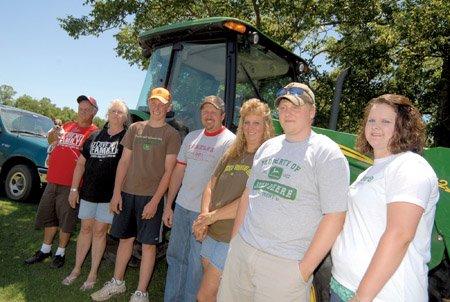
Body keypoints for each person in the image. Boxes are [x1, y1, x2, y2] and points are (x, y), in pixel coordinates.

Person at [217, 82, 350, 301]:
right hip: (242, 252)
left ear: (312, 111)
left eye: (296, 106)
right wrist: (234, 245)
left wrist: (302, 271)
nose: (287, 113)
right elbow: (247, 197)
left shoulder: (326, 153)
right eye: (283, 107)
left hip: (285, 266)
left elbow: (335, 217)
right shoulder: (268, 147)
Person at [330, 94, 440, 302]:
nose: (375, 126)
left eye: (385, 121)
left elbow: (400, 235)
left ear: (403, 127)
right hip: (343, 286)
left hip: (382, 296)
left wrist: (362, 296)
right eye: (371, 120)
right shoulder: (369, 173)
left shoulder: (409, 166)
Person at [91, 87, 181, 302]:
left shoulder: (172, 134)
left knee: (149, 245)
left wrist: (156, 201)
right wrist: (116, 194)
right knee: (125, 240)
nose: (157, 107)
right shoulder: (135, 128)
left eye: (162, 103)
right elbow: (124, 162)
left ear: (169, 107)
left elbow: (169, 171)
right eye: (154, 102)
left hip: (152, 198)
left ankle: (141, 293)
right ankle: (117, 283)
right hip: (127, 194)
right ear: (148, 104)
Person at [192, 98, 275, 302]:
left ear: (266, 126)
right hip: (213, 231)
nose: (250, 127)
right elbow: (211, 184)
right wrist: (204, 218)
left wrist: (210, 217)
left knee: (205, 295)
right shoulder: (232, 153)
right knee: (218, 293)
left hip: (234, 236)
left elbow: (250, 200)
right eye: (246, 122)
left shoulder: (267, 158)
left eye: (256, 122)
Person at [163, 95, 235, 302]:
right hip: (182, 207)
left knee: (196, 265)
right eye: (205, 111)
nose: (209, 115)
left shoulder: (230, 142)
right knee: (175, 258)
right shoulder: (191, 137)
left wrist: (208, 216)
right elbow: (178, 172)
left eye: (214, 112)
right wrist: (169, 205)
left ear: (223, 115)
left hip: (203, 214)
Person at [61, 99, 129, 291]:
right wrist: (74, 189)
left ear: (125, 117)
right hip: (89, 193)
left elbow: (126, 167)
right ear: (107, 114)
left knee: (100, 232)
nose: (116, 114)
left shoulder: (126, 138)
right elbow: (81, 164)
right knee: (85, 229)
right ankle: (76, 269)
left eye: (120, 112)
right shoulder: (95, 135)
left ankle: (93, 273)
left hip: (109, 196)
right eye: (113, 111)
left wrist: (118, 194)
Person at [25, 95, 98, 269]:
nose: (83, 111)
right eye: (81, 108)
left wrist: (76, 188)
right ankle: (45, 250)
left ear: (94, 112)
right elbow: (53, 141)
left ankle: (60, 253)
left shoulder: (94, 132)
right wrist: (53, 136)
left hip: (71, 184)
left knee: (66, 220)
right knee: (49, 216)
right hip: (53, 179)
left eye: (87, 109)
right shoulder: (68, 126)